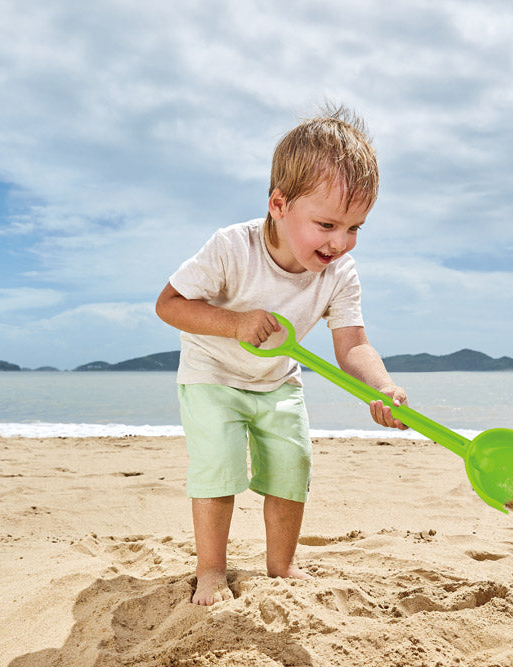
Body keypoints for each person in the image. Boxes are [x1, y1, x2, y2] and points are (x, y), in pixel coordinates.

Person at [155, 105, 407, 606]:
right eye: (327, 224)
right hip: (212, 375)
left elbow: (352, 343)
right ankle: (210, 570)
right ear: (279, 204)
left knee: (292, 465)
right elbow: (169, 305)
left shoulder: (339, 273)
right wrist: (235, 323)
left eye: (355, 228)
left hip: (277, 379)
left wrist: (379, 385)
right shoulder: (232, 247)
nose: (340, 242)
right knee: (217, 467)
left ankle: (282, 565)